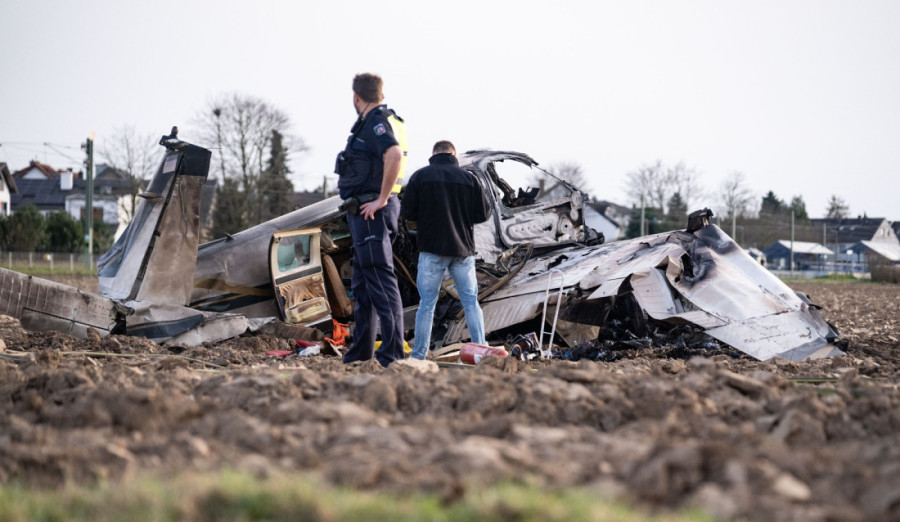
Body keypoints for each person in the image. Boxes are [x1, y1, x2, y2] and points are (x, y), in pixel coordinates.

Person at [335, 73, 406, 367]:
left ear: (356, 97)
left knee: (379, 278)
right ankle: (361, 351)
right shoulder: (386, 120)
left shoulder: (376, 123)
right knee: (363, 285)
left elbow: (394, 154)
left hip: (372, 211)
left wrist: (381, 198)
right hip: (364, 213)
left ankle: (392, 354)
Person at [400, 140, 492, 360]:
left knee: (427, 305)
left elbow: (408, 214)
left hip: (431, 250)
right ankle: (481, 351)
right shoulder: (470, 179)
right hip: (462, 251)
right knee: (470, 302)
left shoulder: (419, 177)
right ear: (454, 154)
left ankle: (419, 356)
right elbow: (482, 214)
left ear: (433, 154)